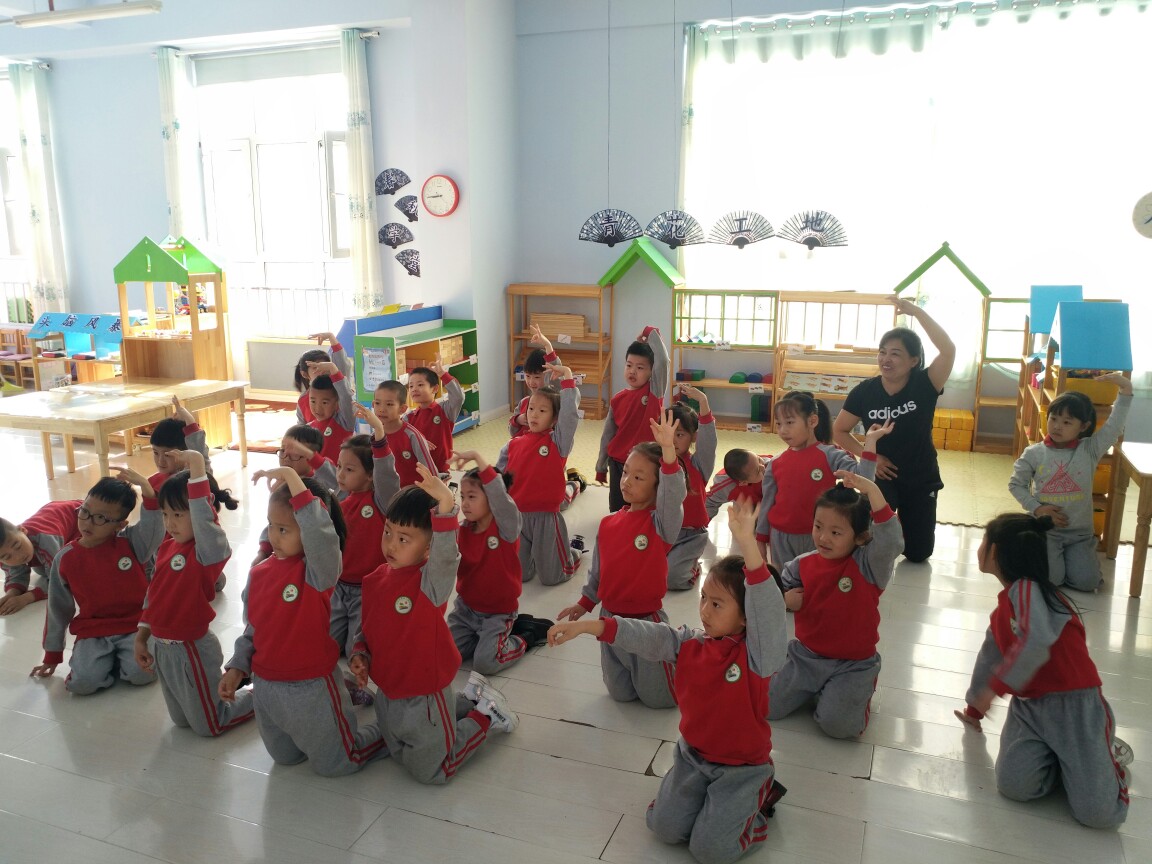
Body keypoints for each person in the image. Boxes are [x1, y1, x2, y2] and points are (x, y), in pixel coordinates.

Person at [548, 498, 788, 864]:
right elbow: (647, 635)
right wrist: (588, 626)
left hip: (743, 770)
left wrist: (749, 549)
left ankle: (756, 808)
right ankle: (708, 808)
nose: (704, 610)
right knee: (662, 828)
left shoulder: (757, 657)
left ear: (746, 617)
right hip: (693, 758)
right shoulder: (690, 644)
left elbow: (768, 614)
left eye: (717, 604)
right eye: (704, 598)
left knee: (709, 851)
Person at [955, 512, 1130, 828]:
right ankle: (1067, 764)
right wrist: (974, 707)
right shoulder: (1003, 608)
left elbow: (1036, 641)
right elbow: (990, 656)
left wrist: (995, 690)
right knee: (1013, 788)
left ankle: (1106, 760)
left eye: (983, 541)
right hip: (1030, 708)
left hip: (1076, 708)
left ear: (996, 551)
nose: (979, 549)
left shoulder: (1027, 589)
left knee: (1099, 816)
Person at [349, 466, 518, 784]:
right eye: (388, 532)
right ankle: (466, 702)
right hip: (389, 691)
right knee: (397, 750)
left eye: (404, 539)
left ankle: (486, 716)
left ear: (427, 549)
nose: (391, 545)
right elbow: (367, 629)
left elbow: (446, 557)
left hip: (425, 693)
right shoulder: (374, 580)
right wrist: (360, 652)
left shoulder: (429, 583)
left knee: (432, 770)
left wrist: (446, 508)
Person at [218, 467, 386, 777]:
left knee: (337, 763)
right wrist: (237, 667)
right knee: (286, 758)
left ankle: (389, 728)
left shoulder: (317, 572)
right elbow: (253, 629)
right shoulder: (259, 573)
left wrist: (293, 479)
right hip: (267, 688)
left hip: (311, 686)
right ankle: (347, 692)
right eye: (271, 525)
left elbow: (322, 538)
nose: (274, 536)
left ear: (308, 531)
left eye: (284, 529)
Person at [557, 410, 686, 708]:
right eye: (626, 472)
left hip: (647, 622)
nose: (626, 481)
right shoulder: (608, 523)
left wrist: (669, 451)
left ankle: (683, 652)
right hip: (610, 619)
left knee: (661, 700)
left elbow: (673, 493)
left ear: (657, 488)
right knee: (621, 694)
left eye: (638, 477)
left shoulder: (660, 525)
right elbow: (598, 572)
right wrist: (585, 603)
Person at [768, 471, 904, 738]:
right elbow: (772, 593)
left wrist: (872, 490)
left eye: (836, 532)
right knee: (767, 706)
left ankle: (849, 691)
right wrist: (784, 600)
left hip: (853, 664)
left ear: (861, 537)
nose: (823, 538)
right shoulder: (802, 564)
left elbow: (891, 542)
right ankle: (822, 689)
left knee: (840, 728)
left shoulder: (869, 564)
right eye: (818, 527)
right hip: (806, 656)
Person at [134, 451, 252, 736]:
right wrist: (142, 636)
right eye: (166, 514)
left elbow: (203, 517)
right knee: (181, 721)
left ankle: (261, 695)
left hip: (191, 649)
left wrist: (197, 464)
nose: (170, 523)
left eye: (178, 514)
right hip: (163, 648)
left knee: (211, 724)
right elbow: (154, 594)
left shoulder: (207, 550)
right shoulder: (167, 547)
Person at [832, 295, 956, 562]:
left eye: (895, 353)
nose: (886, 359)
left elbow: (948, 350)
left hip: (920, 475)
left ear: (913, 360)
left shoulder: (926, 383)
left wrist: (917, 312)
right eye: (882, 352)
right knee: (872, 546)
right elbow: (838, 431)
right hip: (881, 477)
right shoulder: (864, 391)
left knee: (918, 553)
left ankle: (904, 524)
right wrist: (871, 457)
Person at [30, 471, 165, 695]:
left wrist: (147, 490)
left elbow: (154, 529)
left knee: (143, 674)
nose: (88, 522)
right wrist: (52, 654)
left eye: (101, 518)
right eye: (84, 511)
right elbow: (58, 608)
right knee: (82, 685)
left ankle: (120, 659)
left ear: (120, 524)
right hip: (93, 630)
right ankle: (106, 660)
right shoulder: (65, 558)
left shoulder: (131, 542)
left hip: (137, 627)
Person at [1008, 374, 1133, 590]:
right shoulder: (1034, 453)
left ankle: (1071, 562)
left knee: (1088, 583)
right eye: (1053, 419)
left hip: (1080, 535)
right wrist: (1037, 508)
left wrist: (1125, 389)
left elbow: (1114, 427)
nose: (1057, 426)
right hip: (1046, 531)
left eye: (1067, 422)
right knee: (1052, 580)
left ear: (1083, 426)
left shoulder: (1090, 449)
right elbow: (1016, 484)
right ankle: (1045, 559)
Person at [448, 450, 552, 673]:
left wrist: (478, 458)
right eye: (462, 497)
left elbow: (502, 500)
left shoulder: (506, 527)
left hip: (498, 613)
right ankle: (484, 639)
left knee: (485, 663)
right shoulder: (462, 530)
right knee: (446, 655)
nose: (464, 504)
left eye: (472, 497)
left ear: (492, 499)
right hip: (466, 611)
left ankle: (524, 636)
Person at [756, 394, 885, 571]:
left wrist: (870, 442)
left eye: (790, 422)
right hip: (781, 537)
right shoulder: (775, 463)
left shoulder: (831, 455)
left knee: (817, 578)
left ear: (812, 421)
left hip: (819, 536)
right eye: (779, 424)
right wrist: (760, 538)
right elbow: (767, 503)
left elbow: (865, 478)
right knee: (784, 580)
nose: (783, 430)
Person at [331, 407, 402, 681]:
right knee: (325, 641)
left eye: (349, 469)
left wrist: (379, 434)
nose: (340, 474)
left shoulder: (382, 500)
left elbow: (387, 473)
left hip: (368, 591)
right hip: (339, 587)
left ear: (370, 475)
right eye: (339, 467)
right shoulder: (339, 499)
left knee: (356, 651)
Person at [496, 366, 582, 585]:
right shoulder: (513, 445)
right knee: (521, 576)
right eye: (531, 409)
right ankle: (540, 554)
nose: (534, 414)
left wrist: (568, 377)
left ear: (554, 419)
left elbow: (570, 417)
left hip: (546, 518)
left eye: (542, 411)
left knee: (553, 578)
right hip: (519, 517)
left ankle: (572, 553)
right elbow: (498, 478)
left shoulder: (557, 443)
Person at [596, 326, 669, 513]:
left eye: (640, 367)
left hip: (646, 464)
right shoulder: (617, 400)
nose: (633, 371)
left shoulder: (654, 392)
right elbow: (608, 435)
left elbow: (663, 361)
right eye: (629, 365)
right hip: (619, 463)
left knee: (643, 509)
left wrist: (649, 332)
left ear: (652, 372)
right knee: (618, 509)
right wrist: (601, 466)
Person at [250, 425, 336, 569]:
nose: (286, 458)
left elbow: (335, 479)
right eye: (283, 451)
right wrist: (263, 551)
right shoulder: (281, 485)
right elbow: (274, 521)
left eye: (296, 453)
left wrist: (310, 456)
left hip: (315, 560)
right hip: (287, 559)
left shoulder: (320, 480)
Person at [666, 388, 717, 591]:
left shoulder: (698, 464)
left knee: (673, 579)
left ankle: (694, 567)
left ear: (693, 437)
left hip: (691, 535)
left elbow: (708, 442)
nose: (672, 440)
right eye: (668, 433)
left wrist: (703, 402)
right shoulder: (653, 460)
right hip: (660, 531)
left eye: (679, 434)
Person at [1, 499, 81, 615]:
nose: (18, 557)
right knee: (43, 568)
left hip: (78, 516)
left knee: (72, 569)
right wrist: (11, 594)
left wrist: (26, 598)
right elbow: (16, 574)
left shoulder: (46, 541)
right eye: (7, 557)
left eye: (18, 546)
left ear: (22, 530)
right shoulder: (6, 547)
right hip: (54, 513)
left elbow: (59, 582)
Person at [406, 356, 466, 474]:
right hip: (418, 471)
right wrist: (419, 442)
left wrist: (442, 374)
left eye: (420, 385)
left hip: (441, 470)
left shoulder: (444, 410)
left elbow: (458, 397)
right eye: (411, 386)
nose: (414, 389)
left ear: (435, 389)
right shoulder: (409, 417)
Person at [371, 379, 436, 487]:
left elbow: (431, 471)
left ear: (402, 409)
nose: (382, 409)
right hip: (386, 493)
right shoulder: (375, 436)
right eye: (377, 403)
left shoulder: (412, 435)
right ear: (373, 405)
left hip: (413, 493)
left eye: (389, 404)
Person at [146, 396, 212, 494]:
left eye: (167, 455)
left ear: (186, 453)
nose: (160, 460)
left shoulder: (194, 474)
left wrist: (189, 420)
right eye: (156, 453)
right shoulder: (154, 481)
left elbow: (199, 454)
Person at [510, 323, 562, 438]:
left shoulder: (554, 401)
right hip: (523, 446)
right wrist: (517, 420)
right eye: (528, 376)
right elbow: (512, 432)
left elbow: (555, 372)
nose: (531, 382)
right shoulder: (524, 403)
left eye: (537, 377)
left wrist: (547, 345)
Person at [294, 331, 352, 425]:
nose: (322, 370)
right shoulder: (303, 400)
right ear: (305, 374)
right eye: (315, 367)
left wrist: (331, 337)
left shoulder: (340, 390)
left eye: (325, 366)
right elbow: (301, 426)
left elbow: (342, 365)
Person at [305, 357, 356, 465]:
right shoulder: (308, 428)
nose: (317, 408)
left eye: (324, 403)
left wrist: (333, 369)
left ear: (337, 403)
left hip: (337, 475)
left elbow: (346, 397)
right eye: (313, 401)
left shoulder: (344, 422)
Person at [703, 450, 768, 523]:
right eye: (758, 471)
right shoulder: (726, 486)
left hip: (770, 500)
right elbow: (709, 504)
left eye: (759, 459)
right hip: (748, 505)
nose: (763, 467)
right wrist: (700, 525)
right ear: (744, 482)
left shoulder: (770, 464)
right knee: (742, 516)